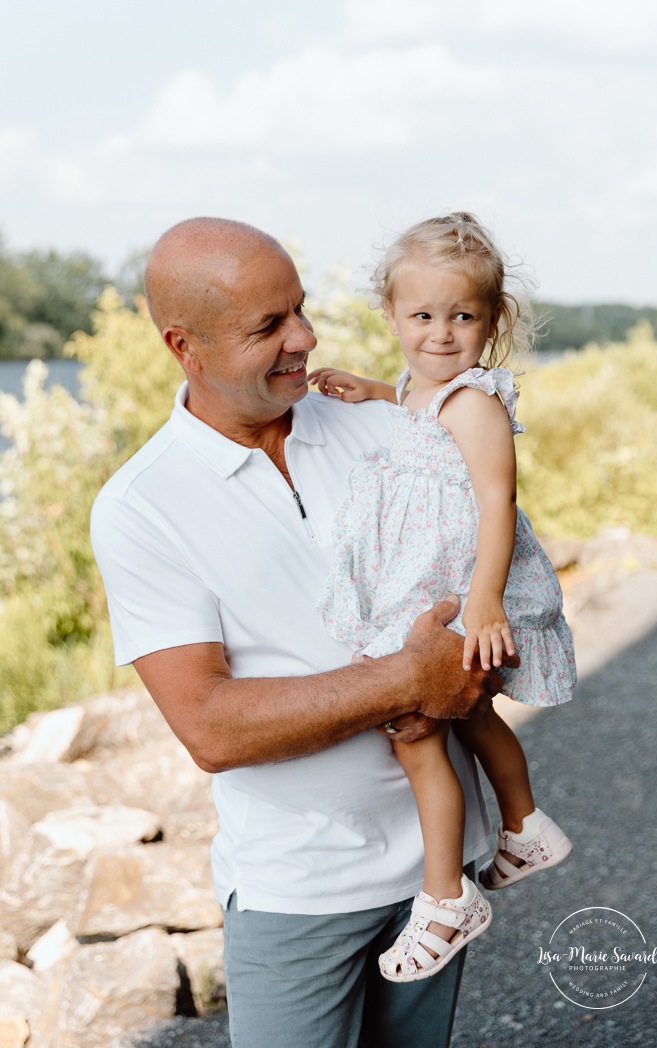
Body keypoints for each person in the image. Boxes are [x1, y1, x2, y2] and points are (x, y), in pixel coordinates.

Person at [90, 216, 514, 1048]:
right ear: (186, 345)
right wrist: (409, 679)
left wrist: (478, 658)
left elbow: (496, 580)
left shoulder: (385, 426)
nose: (305, 338)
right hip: (298, 889)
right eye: (267, 326)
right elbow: (208, 727)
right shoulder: (141, 507)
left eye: (300, 309)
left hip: (437, 875)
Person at [309, 211, 576, 983]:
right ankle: (523, 826)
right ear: (391, 317)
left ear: (492, 321)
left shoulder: (475, 403)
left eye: (461, 316)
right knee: (472, 712)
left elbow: (497, 500)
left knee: (416, 728)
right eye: (421, 315)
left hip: (459, 591)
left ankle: (444, 898)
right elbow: (415, 409)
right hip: (434, 583)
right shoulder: (425, 391)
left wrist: (484, 602)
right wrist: (371, 390)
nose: (439, 332)